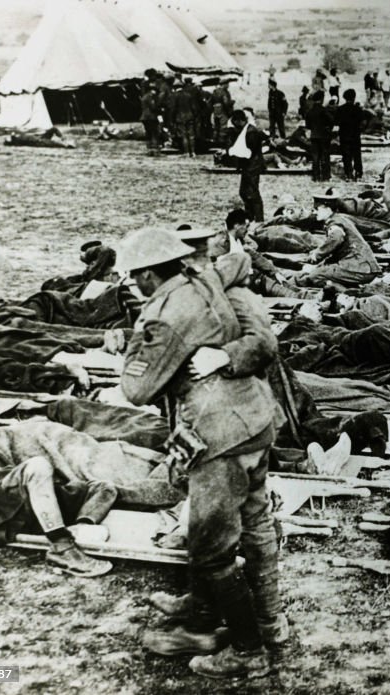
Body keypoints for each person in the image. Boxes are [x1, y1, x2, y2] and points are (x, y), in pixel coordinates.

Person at [117, 228, 284, 679]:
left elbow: (136, 388)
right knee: (250, 518)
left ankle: (249, 651)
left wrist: (130, 341)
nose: (134, 286)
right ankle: (208, 621)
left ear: (151, 274)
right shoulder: (204, 281)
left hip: (218, 434)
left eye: (135, 279)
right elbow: (236, 264)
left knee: (211, 548)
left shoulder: (163, 317)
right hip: (250, 419)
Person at [0, 454, 115, 577]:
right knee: (38, 464)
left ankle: (77, 527)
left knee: (105, 486)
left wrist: (84, 522)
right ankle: (61, 547)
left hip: (31, 504)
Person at [227, 109, 269, 223]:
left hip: (252, 166)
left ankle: (259, 219)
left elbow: (248, 151)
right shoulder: (247, 130)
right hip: (249, 165)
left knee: (253, 193)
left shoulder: (250, 132)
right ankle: (250, 217)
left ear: (239, 121)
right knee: (244, 192)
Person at [336, 89, 366, 180]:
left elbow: (336, 122)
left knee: (346, 155)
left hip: (344, 135)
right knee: (357, 154)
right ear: (354, 97)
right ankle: (358, 172)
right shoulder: (358, 109)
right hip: (355, 135)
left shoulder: (340, 109)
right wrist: (360, 129)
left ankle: (348, 173)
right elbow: (364, 122)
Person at [304, 91, 334, 182]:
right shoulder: (324, 110)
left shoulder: (310, 111)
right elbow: (331, 120)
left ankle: (316, 176)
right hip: (324, 136)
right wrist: (329, 128)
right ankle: (325, 176)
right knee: (325, 156)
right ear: (321, 99)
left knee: (315, 157)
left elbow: (308, 125)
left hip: (314, 136)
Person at [140, 83, 161, 156]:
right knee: (154, 133)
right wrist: (161, 110)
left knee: (148, 133)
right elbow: (153, 107)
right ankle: (155, 150)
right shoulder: (150, 97)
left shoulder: (144, 97)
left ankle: (149, 150)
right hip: (151, 117)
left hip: (144, 117)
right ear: (152, 90)